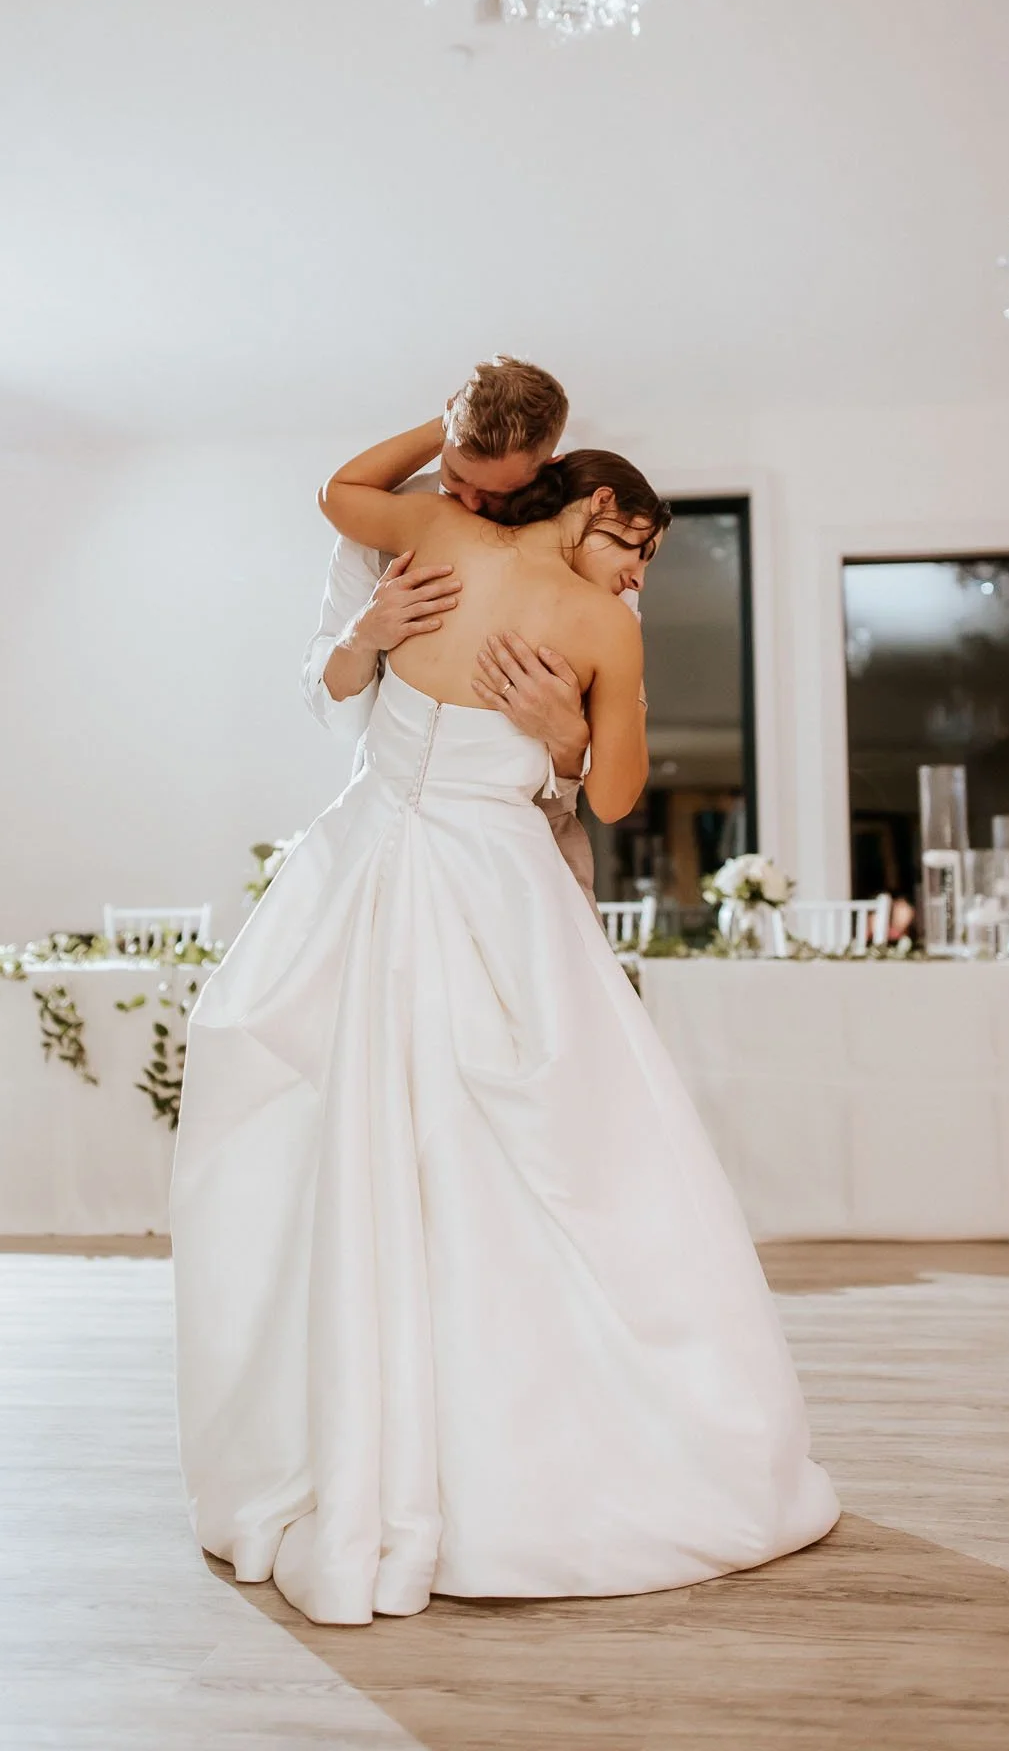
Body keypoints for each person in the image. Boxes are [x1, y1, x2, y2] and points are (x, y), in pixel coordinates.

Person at [170, 411, 839, 1627]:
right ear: (590, 506)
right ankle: (530, 1456)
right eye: (636, 544)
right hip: (496, 890)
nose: (640, 575)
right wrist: (571, 739)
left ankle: (348, 1441)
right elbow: (620, 796)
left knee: (352, 1142)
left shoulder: (432, 533)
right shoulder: (602, 627)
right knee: (559, 1158)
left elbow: (336, 488)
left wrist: (444, 420)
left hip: (365, 871)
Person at [301, 355, 599, 897]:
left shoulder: (577, 549)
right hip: (394, 840)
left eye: (496, 494)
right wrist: (362, 636)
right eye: (456, 475)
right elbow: (340, 720)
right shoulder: (383, 521)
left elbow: (609, 737)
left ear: (547, 467)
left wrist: (570, 736)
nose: (468, 502)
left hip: (526, 851)